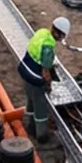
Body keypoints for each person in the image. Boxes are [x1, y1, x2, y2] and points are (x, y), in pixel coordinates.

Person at [18, 17, 71, 146]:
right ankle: (41, 136)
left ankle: (29, 126)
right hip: (35, 77)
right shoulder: (49, 46)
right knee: (40, 107)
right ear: (59, 33)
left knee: (31, 101)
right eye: (62, 36)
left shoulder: (42, 32)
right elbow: (46, 72)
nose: (61, 39)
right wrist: (48, 86)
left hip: (25, 70)